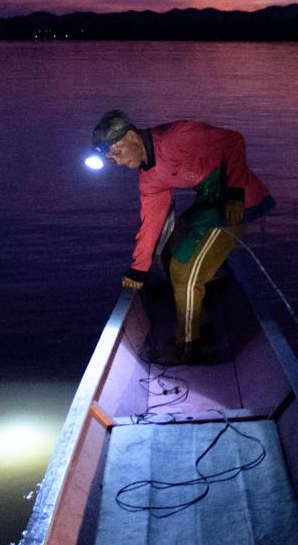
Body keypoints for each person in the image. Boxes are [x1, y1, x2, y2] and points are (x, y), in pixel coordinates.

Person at [90, 109, 276, 362]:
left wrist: (234, 193)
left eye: (118, 153)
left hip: (238, 201)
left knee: (184, 271)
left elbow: (234, 140)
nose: (119, 163)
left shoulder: (176, 137)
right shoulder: (148, 178)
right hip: (210, 201)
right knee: (170, 249)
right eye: (112, 159)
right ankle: (202, 324)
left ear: (132, 137)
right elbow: (151, 223)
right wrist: (138, 269)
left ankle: (188, 346)